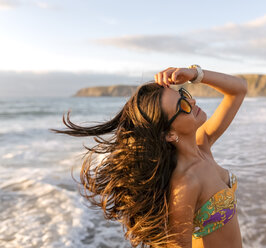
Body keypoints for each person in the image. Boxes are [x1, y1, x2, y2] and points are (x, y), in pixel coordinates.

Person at [51, 65, 247, 248]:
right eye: (182, 106)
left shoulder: (202, 145)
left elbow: (239, 90)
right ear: (168, 134)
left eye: (184, 95)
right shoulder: (185, 184)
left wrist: (194, 74)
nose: (192, 101)